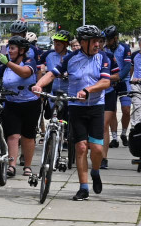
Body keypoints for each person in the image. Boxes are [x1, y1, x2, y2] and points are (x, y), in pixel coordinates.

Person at [33, 25, 113, 201]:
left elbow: (106, 82)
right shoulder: (71, 58)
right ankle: (83, 187)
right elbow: (53, 74)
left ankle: (95, 171)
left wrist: (88, 90)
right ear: (83, 42)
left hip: (96, 107)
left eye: (99, 41)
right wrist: (39, 84)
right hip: (76, 107)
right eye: (94, 41)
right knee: (81, 147)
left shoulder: (103, 57)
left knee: (97, 149)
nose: (97, 44)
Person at [0, 36, 39, 178]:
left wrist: (8, 64)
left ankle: (27, 167)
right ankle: (12, 166)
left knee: (28, 137)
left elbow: (25, 73)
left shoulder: (29, 61)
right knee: (12, 135)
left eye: (12, 48)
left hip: (30, 103)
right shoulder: (6, 64)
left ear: (22, 50)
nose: (9, 51)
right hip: (11, 104)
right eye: (9, 48)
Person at [102, 26, 131, 161]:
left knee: (126, 109)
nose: (107, 42)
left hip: (122, 80)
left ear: (115, 38)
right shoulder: (105, 49)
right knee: (111, 111)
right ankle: (114, 138)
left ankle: (124, 133)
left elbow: (127, 66)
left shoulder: (124, 48)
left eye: (109, 40)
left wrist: (119, 76)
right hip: (110, 82)